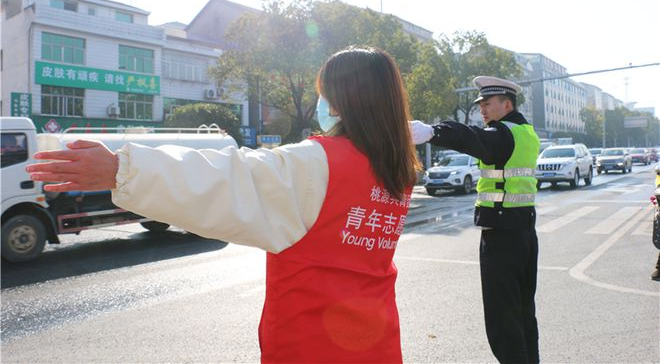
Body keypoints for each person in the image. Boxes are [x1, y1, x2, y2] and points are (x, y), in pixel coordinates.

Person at [26, 46, 420, 364]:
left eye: (325, 93)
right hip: (377, 342)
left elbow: (224, 178)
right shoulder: (398, 169)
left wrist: (119, 169)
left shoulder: (317, 162)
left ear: (340, 101)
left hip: (312, 346)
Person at [410, 76, 540, 364]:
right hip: (524, 232)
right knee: (523, 312)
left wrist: (432, 132)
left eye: (488, 104)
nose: (482, 109)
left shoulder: (502, 134)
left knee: (502, 318)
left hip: (502, 235)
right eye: (480, 104)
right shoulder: (526, 133)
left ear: (507, 104)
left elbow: (471, 137)